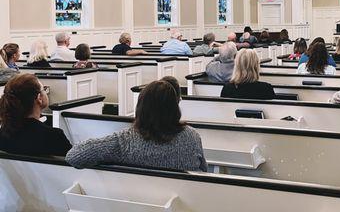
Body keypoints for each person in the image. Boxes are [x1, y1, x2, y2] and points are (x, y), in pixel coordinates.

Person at [66, 80, 207, 172]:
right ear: (175, 108)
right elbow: (204, 172)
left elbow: (74, 156)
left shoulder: (124, 140)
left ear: (140, 108)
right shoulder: (191, 136)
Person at [0, 74, 72, 156]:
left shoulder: (3, 132)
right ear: (39, 98)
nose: (45, 92)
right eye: (44, 89)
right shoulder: (53, 136)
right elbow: (74, 166)